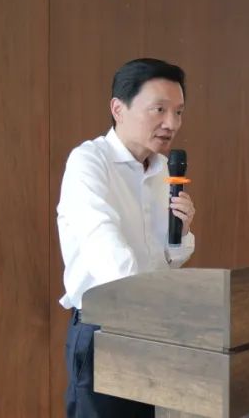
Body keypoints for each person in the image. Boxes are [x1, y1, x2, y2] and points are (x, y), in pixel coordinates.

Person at [57, 58, 197, 418]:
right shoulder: (89, 162)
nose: (171, 123)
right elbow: (106, 249)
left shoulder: (163, 169)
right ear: (118, 109)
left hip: (155, 327)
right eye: (159, 109)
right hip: (106, 329)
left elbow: (164, 261)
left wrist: (180, 234)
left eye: (178, 112)